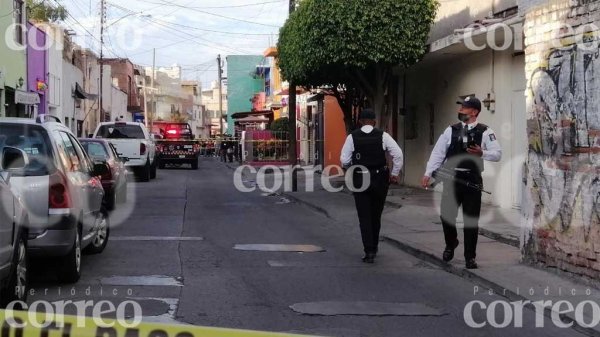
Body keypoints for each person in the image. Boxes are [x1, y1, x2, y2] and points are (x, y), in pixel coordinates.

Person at [421, 96, 502, 269]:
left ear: (474, 112)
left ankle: (470, 257)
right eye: (460, 108)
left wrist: (482, 153)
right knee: (446, 216)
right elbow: (438, 153)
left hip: (472, 179)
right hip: (451, 178)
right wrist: (428, 173)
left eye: (464, 108)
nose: (460, 111)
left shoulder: (485, 131)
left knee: (471, 220)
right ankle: (451, 243)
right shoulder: (451, 130)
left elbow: (497, 154)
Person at [340, 108, 404, 263]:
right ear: (374, 121)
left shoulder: (352, 137)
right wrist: (394, 173)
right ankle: (374, 246)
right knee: (376, 214)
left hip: (360, 179)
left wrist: (350, 168)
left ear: (360, 121)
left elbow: (344, 160)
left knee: (364, 216)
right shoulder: (384, 136)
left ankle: (369, 251)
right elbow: (398, 154)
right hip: (379, 178)